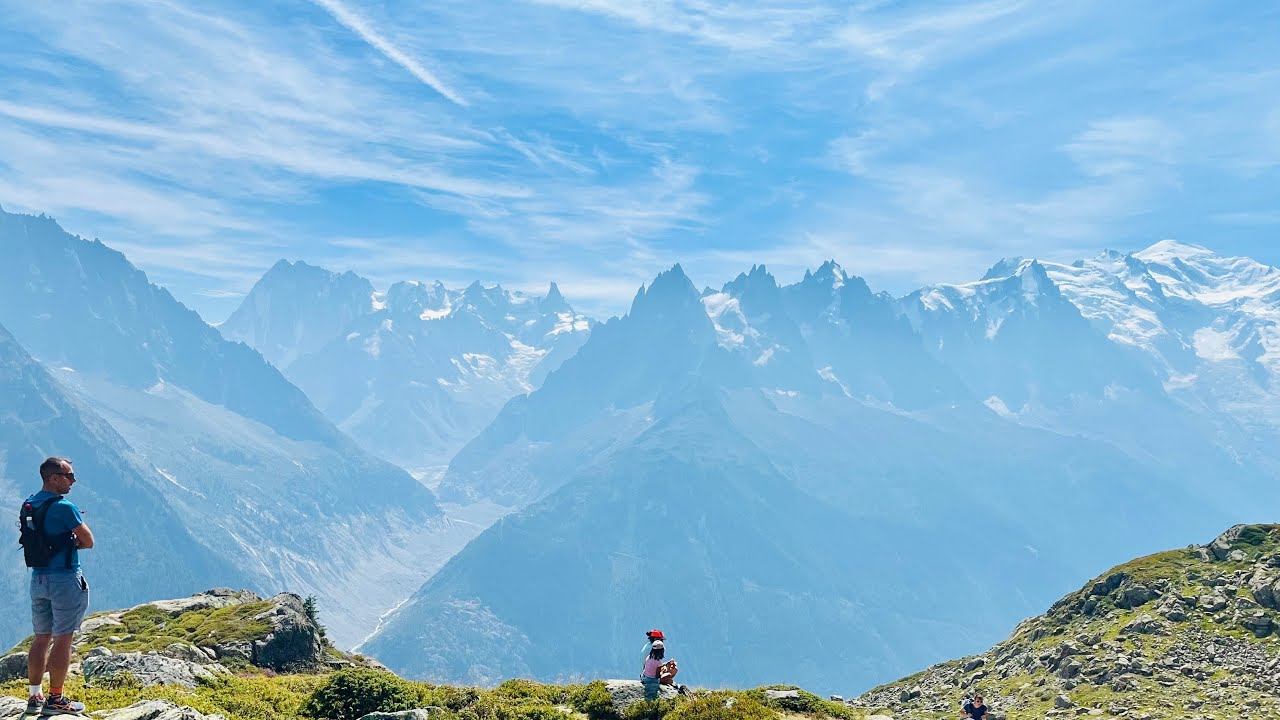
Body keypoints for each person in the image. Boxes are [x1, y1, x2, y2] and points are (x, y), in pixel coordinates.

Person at [23, 458, 93, 716]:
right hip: (64, 578)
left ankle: (34, 697)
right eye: (69, 476)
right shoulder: (64, 507)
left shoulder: (30, 503)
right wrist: (73, 543)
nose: (73, 481)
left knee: (41, 638)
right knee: (64, 638)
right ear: (53, 478)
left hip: (38, 579)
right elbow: (88, 541)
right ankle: (55, 700)